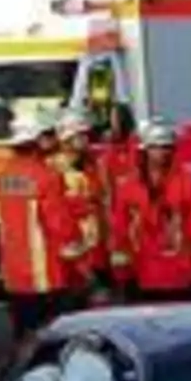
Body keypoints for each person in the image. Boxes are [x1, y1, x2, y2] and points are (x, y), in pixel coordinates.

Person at [0, 111, 80, 338]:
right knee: (51, 339)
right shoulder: (47, 177)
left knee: (23, 338)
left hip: (14, 274)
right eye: (49, 134)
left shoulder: (2, 177)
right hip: (47, 274)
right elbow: (61, 226)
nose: (54, 140)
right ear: (38, 140)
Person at [113, 118, 191, 303]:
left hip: (180, 275)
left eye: (167, 147)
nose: (162, 152)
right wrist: (121, 270)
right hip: (141, 274)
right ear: (144, 150)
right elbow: (120, 229)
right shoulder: (128, 186)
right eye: (156, 147)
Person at [53, 109, 117, 307]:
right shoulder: (54, 169)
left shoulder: (96, 164)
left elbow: (107, 200)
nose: (85, 139)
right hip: (73, 251)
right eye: (79, 135)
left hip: (98, 248)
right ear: (66, 138)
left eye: (85, 134)